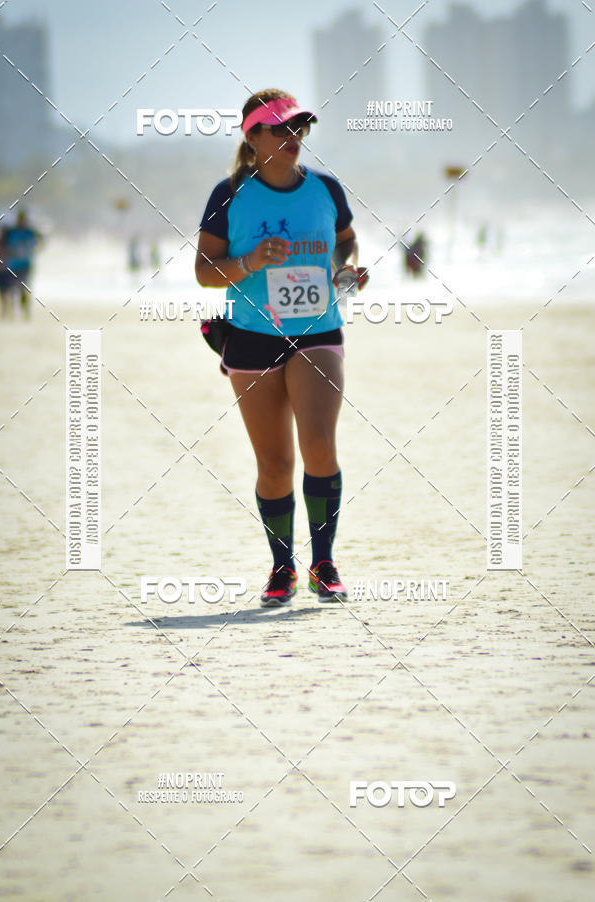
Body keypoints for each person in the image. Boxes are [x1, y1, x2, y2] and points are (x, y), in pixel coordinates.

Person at [195, 88, 368, 607]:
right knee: (274, 465)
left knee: (318, 442)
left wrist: (345, 271)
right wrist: (249, 262)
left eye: (300, 128)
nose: (295, 138)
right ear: (253, 137)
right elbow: (205, 272)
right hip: (250, 336)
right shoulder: (228, 195)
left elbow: (346, 239)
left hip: (318, 331)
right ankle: (281, 569)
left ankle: (324, 563)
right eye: (282, 128)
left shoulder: (326, 189)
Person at [0, 210, 42, 317]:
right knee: (12, 290)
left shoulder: (30, 232)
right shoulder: (11, 232)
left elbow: (40, 240)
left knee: (23, 288)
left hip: (25, 265)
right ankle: (11, 311)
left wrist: (35, 249)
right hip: (13, 265)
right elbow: (3, 244)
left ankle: (25, 311)